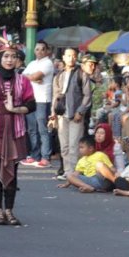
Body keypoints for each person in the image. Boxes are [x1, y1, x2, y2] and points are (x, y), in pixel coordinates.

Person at [0, 41, 35, 225]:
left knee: (13, 168)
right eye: (6, 56)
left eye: (13, 56)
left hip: (15, 128)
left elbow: (31, 104)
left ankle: (9, 210)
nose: (10, 60)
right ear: (0, 59)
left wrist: (16, 110)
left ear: (17, 60)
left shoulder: (23, 80)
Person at [52, 48, 92, 180]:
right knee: (64, 146)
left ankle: (75, 173)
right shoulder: (58, 75)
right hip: (62, 115)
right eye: (68, 56)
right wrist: (53, 114)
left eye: (74, 56)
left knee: (74, 145)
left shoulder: (82, 74)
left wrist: (80, 111)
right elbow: (56, 96)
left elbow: (87, 96)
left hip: (76, 115)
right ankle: (68, 171)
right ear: (63, 57)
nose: (71, 58)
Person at [21, 40, 54, 168]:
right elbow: (22, 76)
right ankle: (35, 156)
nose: (39, 51)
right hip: (30, 99)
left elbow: (33, 77)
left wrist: (33, 77)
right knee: (32, 130)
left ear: (47, 51)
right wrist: (33, 77)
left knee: (43, 130)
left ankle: (46, 157)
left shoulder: (48, 63)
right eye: (37, 49)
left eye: (42, 49)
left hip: (42, 99)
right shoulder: (32, 63)